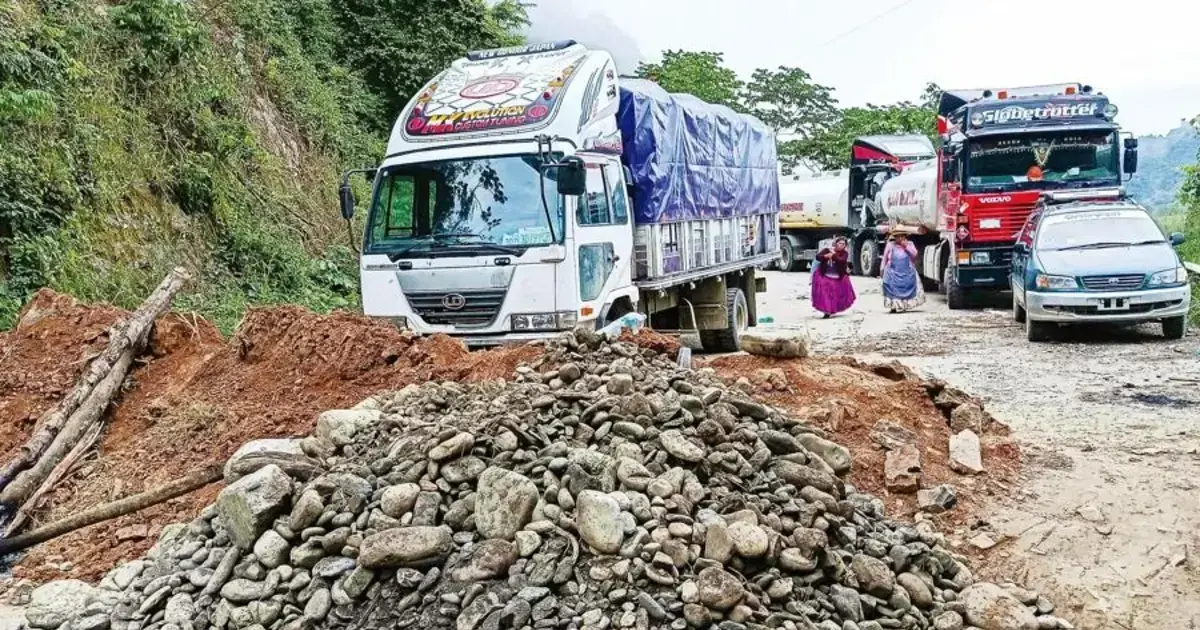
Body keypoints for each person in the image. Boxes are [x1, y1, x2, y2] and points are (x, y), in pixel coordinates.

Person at [810, 236, 856, 318]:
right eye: (839, 243)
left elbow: (841, 260)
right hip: (825, 275)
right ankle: (827, 311)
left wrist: (833, 255)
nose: (841, 245)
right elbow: (818, 257)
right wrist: (825, 256)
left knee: (835, 296)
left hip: (837, 277)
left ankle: (832, 309)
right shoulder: (827, 250)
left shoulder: (845, 253)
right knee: (825, 294)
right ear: (836, 244)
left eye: (843, 244)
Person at [882, 229, 926, 313]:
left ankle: (904, 305)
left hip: (907, 271)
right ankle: (893, 306)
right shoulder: (890, 245)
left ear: (905, 236)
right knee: (892, 289)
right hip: (892, 272)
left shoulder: (910, 244)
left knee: (906, 289)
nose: (900, 238)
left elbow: (915, 254)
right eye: (898, 236)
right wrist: (882, 269)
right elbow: (884, 258)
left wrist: (906, 246)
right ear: (895, 237)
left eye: (902, 236)